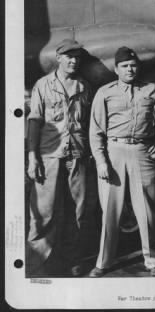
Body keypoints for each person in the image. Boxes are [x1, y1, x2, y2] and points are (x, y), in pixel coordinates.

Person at [88, 46, 155, 277]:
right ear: (116, 69)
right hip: (113, 152)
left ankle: (152, 261)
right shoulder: (104, 93)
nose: (130, 69)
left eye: (133, 65)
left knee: (147, 210)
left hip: (142, 152)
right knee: (110, 211)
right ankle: (103, 262)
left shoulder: (151, 90)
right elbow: (95, 130)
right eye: (125, 66)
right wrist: (101, 161)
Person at [26, 39, 92, 277]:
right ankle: (36, 263)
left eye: (77, 57)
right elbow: (34, 122)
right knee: (44, 213)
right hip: (49, 157)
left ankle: (72, 260)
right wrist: (32, 157)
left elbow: (88, 124)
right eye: (69, 57)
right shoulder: (42, 86)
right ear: (59, 58)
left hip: (77, 155)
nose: (74, 61)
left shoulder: (84, 86)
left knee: (78, 212)